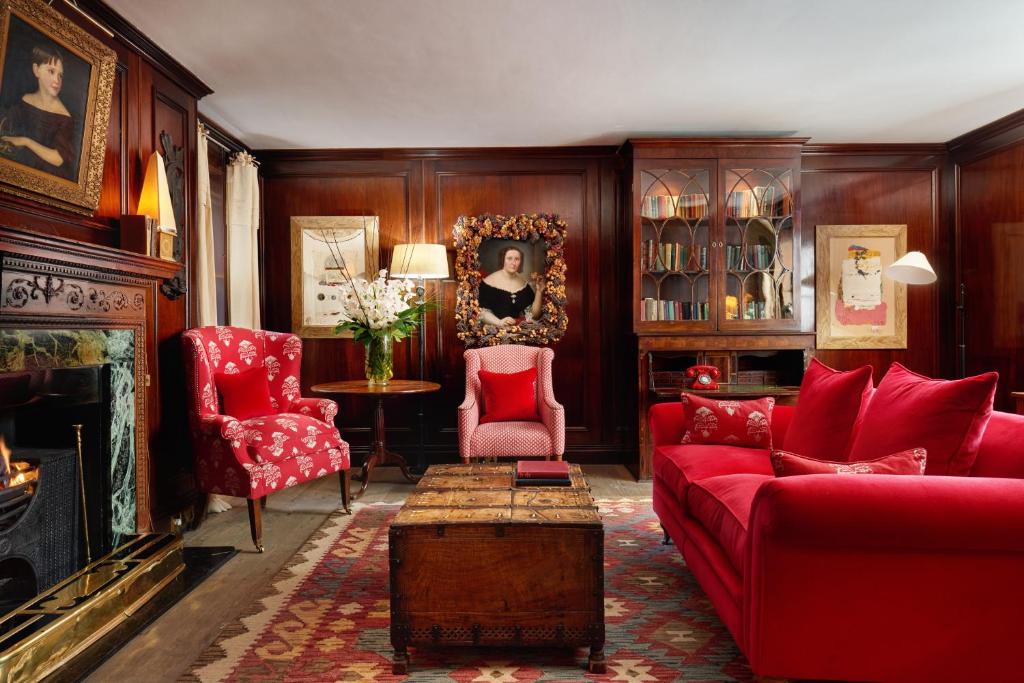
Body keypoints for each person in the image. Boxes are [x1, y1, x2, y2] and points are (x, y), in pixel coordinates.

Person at [1, 44, 76, 180]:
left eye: (60, 75)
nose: (57, 80)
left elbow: (58, 158)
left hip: (47, 175)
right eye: (51, 71)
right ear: (36, 70)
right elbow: (8, 124)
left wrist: (26, 141)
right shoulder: (25, 99)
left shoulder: (65, 117)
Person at [478, 244, 544, 327]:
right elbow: (481, 312)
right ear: (503, 260)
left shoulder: (524, 283)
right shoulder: (488, 283)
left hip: (517, 329)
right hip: (494, 328)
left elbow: (534, 315)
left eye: (517, 259)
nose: (513, 263)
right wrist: (499, 322)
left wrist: (539, 291)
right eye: (509, 259)